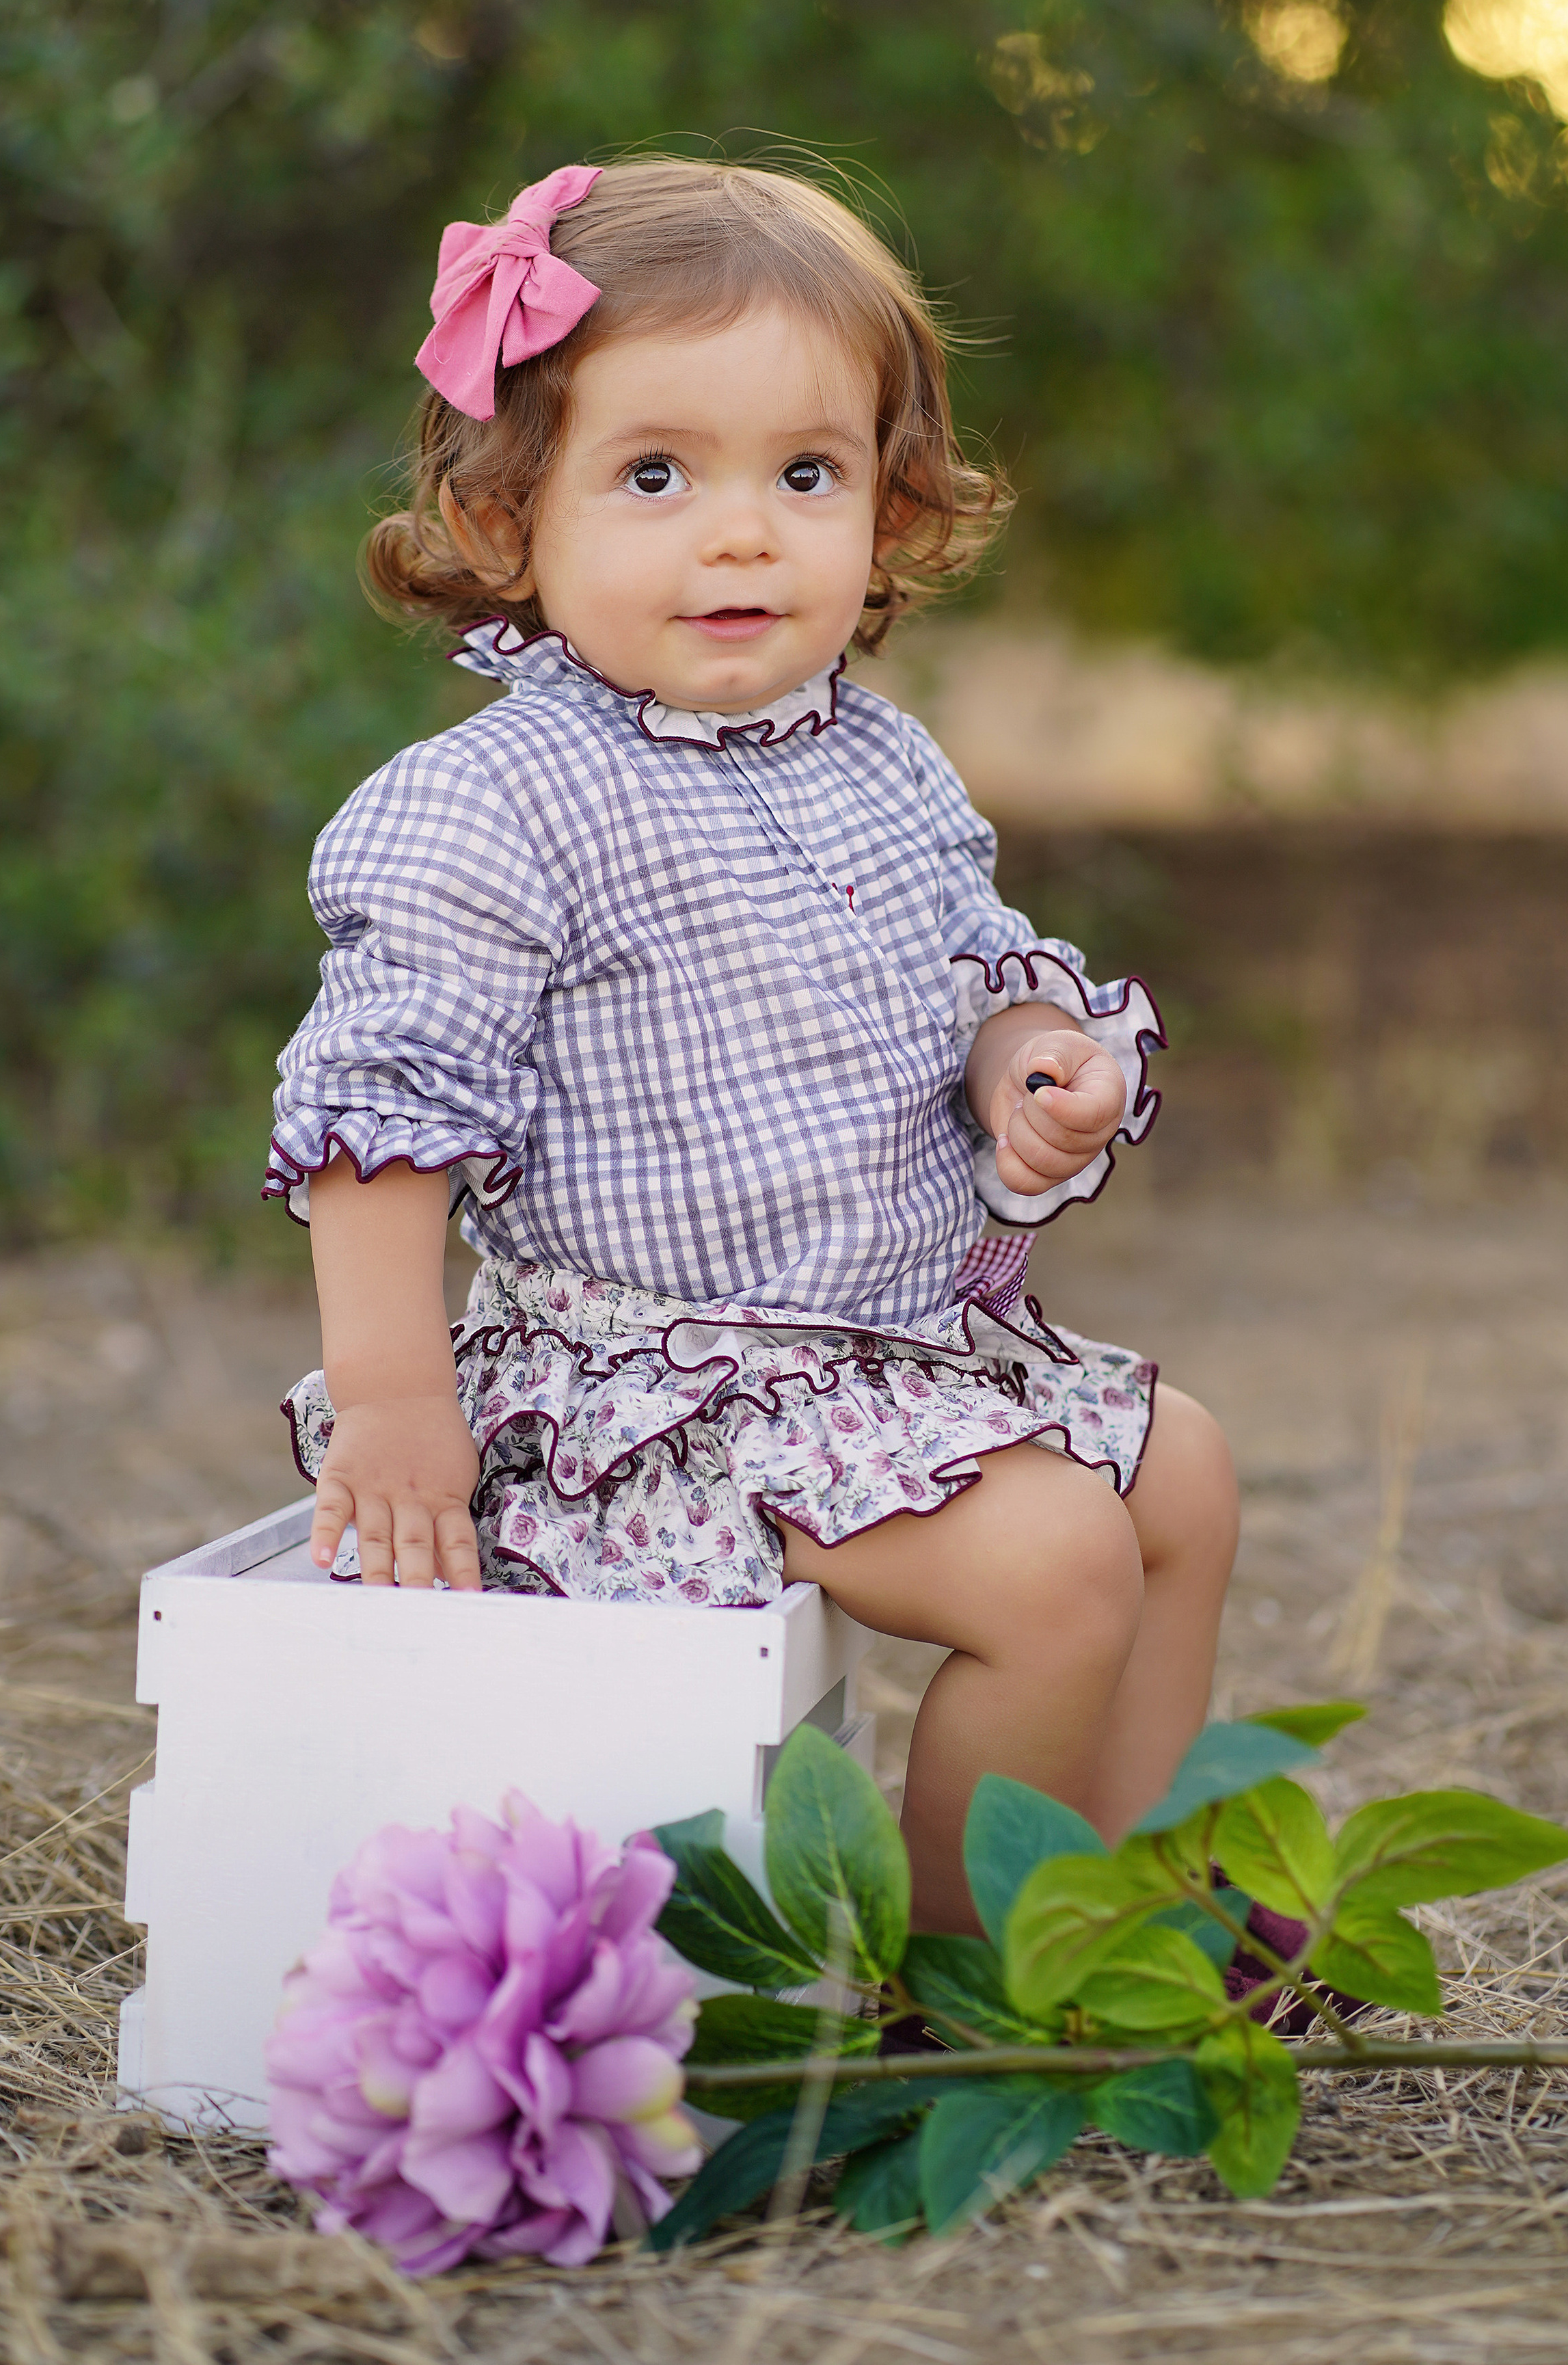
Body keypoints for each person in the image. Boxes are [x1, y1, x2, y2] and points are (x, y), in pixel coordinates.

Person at [268, 157, 1240, 1937]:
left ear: (889, 503)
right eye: (656, 474)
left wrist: (1029, 1064)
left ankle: (1126, 1896)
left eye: (807, 474)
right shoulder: (495, 807)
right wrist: (397, 1401)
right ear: (504, 520)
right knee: (1055, 1562)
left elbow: (972, 973)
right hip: (665, 1390)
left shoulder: (876, 760)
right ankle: (971, 1979)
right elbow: (379, 1116)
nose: (743, 531)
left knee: (1183, 1466)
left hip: (883, 1346)